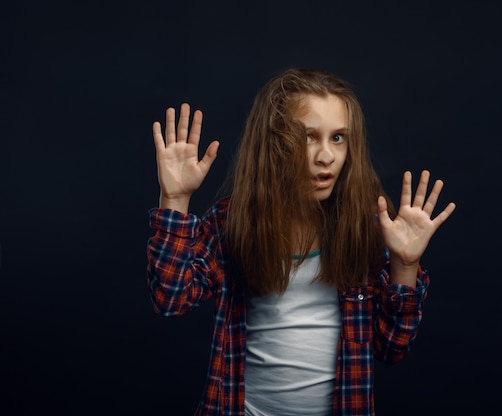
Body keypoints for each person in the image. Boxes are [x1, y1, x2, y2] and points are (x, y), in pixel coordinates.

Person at [146, 68, 456, 416]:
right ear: (275, 142)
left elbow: (392, 349)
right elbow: (171, 300)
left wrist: (405, 266)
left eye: (338, 137)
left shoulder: (369, 230)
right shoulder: (231, 222)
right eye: (309, 136)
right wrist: (174, 199)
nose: (326, 156)